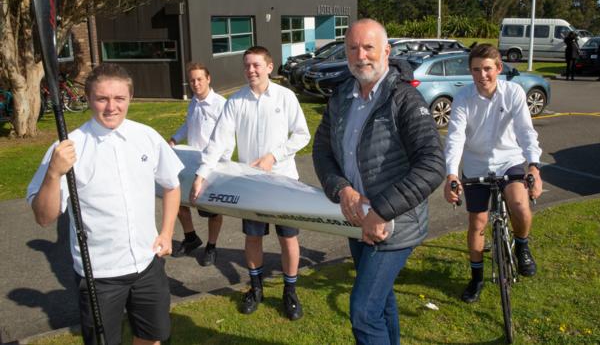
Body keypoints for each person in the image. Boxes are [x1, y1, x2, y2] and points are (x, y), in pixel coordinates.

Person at [27, 64, 184, 345]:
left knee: (153, 338)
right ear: (88, 99)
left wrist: (167, 232)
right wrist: (54, 172)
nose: (111, 107)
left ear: (130, 99)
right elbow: (44, 217)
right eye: (102, 99)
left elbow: (172, 184)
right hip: (99, 275)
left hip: (148, 264)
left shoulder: (146, 137)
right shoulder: (67, 147)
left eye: (119, 98)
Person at [312, 18, 445, 345]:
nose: (361, 56)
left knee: (363, 311)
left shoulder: (405, 99)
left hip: (393, 224)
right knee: (381, 301)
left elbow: (432, 164)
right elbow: (321, 150)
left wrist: (381, 212)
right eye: (353, 48)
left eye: (369, 47)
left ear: (386, 51)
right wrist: (341, 188)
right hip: (357, 218)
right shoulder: (342, 95)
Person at [189, 46, 310, 321]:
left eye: (256, 65)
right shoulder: (236, 101)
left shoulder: (286, 97)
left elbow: (302, 135)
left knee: (288, 238)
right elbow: (218, 140)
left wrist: (273, 156)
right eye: (247, 66)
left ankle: (290, 292)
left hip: (284, 181)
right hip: (251, 184)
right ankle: (256, 288)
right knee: (253, 237)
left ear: (269, 66)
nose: (250, 70)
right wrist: (202, 173)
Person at [443, 43, 543, 304]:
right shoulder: (463, 98)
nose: (482, 75)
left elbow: (525, 131)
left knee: (520, 206)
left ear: (498, 68)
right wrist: (451, 174)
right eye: (476, 70)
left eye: (487, 69)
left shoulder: (513, 93)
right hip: (477, 166)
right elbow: (455, 138)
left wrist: (534, 165)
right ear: (470, 71)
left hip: (509, 160)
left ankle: (522, 246)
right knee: (477, 222)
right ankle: (476, 279)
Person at [169, 62, 230, 266]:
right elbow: (189, 124)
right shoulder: (194, 101)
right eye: (192, 80)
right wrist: (174, 139)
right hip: (192, 161)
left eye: (199, 79)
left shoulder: (221, 104)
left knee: (211, 210)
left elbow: (227, 137)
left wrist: (221, 163)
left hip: (213, 165)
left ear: (208, 79)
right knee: (177, 200)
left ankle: (211, 247)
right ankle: (191, 238)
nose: (195, 84)